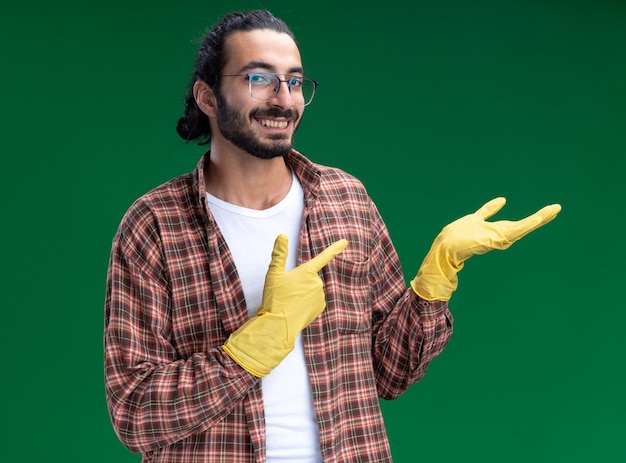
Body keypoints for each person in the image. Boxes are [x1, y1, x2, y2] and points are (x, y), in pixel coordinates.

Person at [104, 9, 561, 462]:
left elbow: (390, 374)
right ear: (207, 96)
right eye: (259, 79)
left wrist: (434, 282)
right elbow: (133, 413)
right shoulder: (155, 224)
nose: (283, 99)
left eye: (295, 81)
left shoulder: (346, 200)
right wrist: (252, 349)